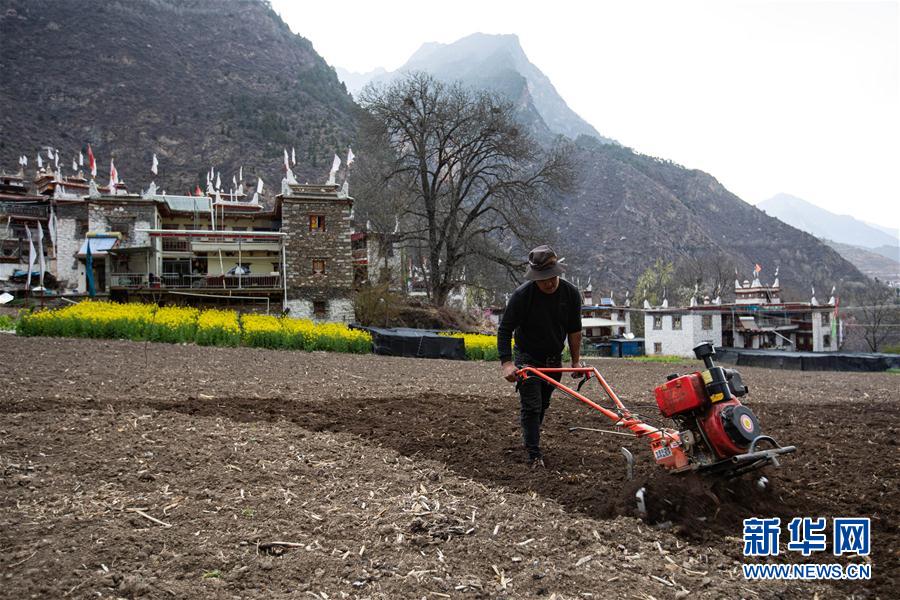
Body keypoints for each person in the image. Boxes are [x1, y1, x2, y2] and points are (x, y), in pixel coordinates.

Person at [497, 245, 583, 468]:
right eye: (544, 278)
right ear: (535, 277)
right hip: (528, 356)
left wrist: (575, 361)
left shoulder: (570, 294)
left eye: (553, 276)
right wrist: (507, 363)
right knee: (532, 405)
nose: (550, 282)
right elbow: (505, 329)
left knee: (542, 404)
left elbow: (574, 330)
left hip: (554, 358)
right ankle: (534, 455)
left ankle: (529, 440)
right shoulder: (522, 296)